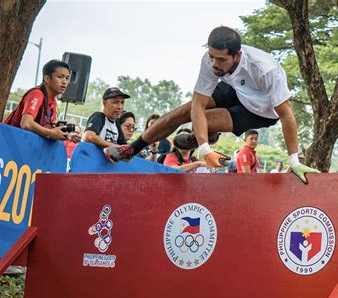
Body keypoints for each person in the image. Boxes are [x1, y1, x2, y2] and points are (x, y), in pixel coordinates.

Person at [104, 26, 319, 183]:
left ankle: (206, 133)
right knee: (182, 112)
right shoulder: (211, 62)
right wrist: (205, 149)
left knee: (204, 121)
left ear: (238, 56)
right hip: (235, 90)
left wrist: (294, 159)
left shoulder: (265, 70)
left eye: (221, 60)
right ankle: (131, 150)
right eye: (211, 57)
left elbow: (286, 115)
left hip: (260, 111)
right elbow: (197, 105)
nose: (214, 64)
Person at [3, 59, 80, 143]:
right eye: (60, 77)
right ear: (47, 78)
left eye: (67, 78)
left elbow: (50, 129)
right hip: (8, 144)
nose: (65, 82)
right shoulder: (37, 94)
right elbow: (26, 123)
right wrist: (51, 133)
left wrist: (68, 136)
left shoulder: (52, 101)